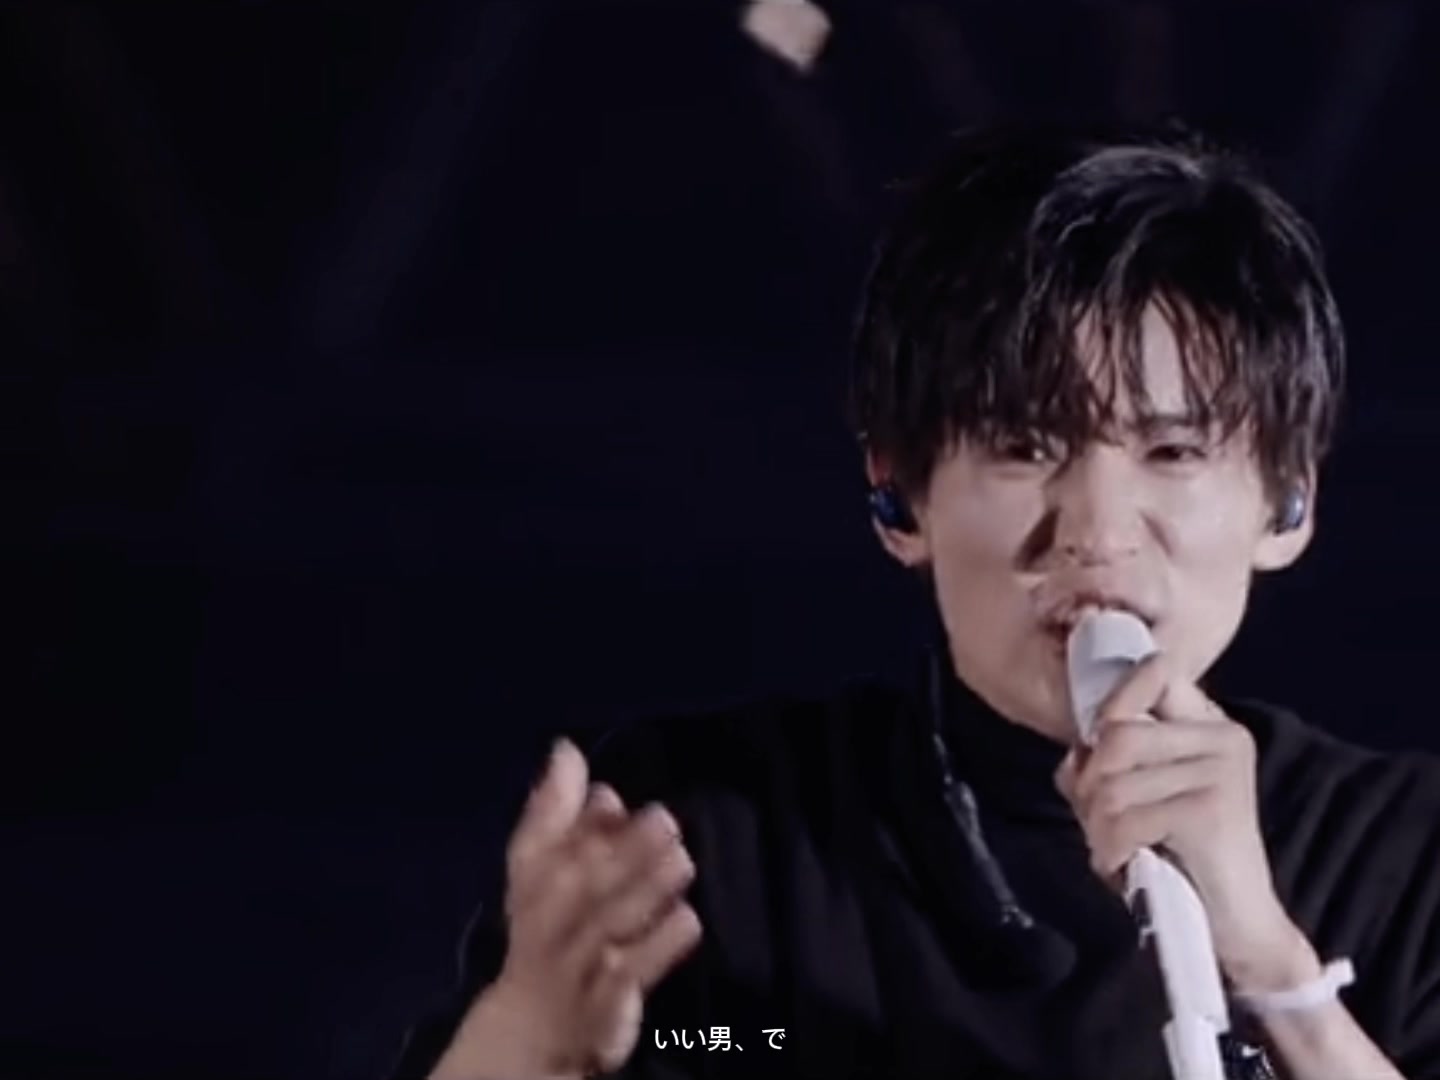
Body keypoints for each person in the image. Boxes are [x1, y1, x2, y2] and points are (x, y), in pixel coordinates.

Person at [385, 123, 1440, 1080]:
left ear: (1288, 502)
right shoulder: (708, 837)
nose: (1097, 530)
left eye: (1171, 452)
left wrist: (1278, 977)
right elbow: (699, 1044)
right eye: (1024, 446)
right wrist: (530, 1038)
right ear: (898, 497)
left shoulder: (1400, 856)